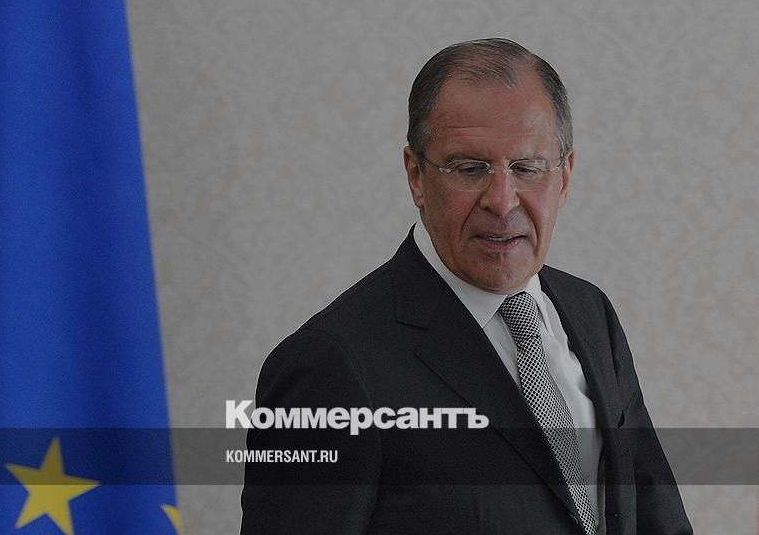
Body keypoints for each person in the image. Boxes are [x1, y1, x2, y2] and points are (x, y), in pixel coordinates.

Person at [241, 38, 692, 534]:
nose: (502, 200)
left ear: (564, 177)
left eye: (527, 168)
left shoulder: (590, 312)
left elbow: (657, 518)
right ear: (416, 176)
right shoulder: (329, 365)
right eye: (470, 169)